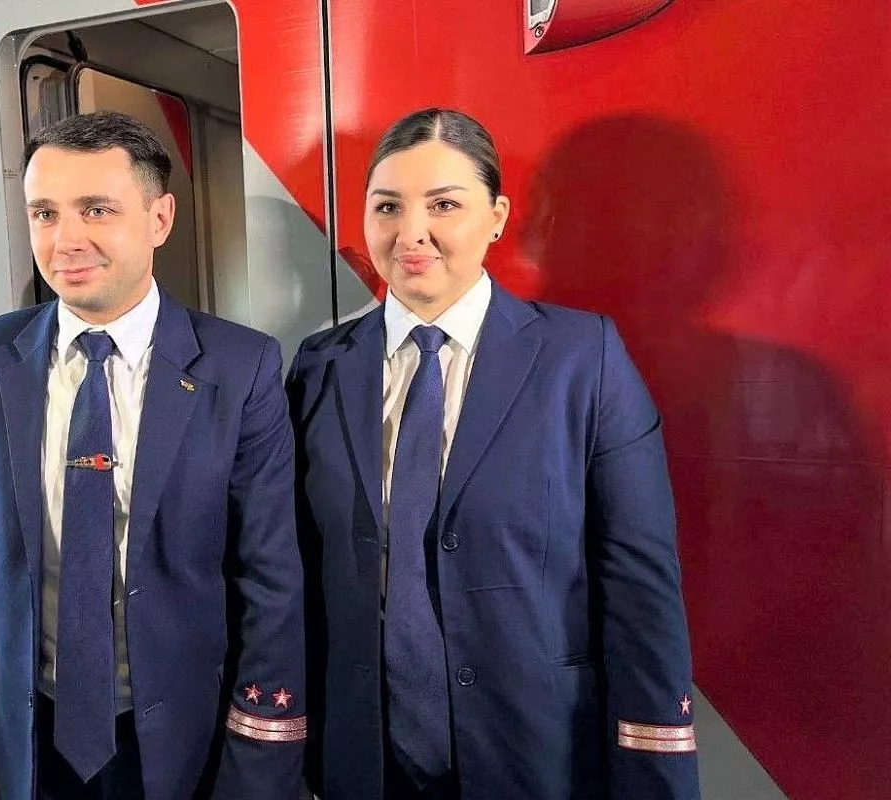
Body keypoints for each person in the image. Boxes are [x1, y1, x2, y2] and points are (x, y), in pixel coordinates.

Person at [286, 108, 699, 799]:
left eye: (444, 204)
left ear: (497, 216)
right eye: (387, 206)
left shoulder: (581, 359)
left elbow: (641, 582)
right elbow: (295, 566)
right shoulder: (319, 366)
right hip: (364, 759)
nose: (411, 232)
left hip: (537, 750)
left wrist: (657, 774)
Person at [0, 110, 305, 800]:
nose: (66, 239)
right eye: (45, 213)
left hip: (185, 744)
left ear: (159, 219)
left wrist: (259, 770)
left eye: (96, 209)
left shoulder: (239, 367)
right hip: (28, 741)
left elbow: (269, 580)